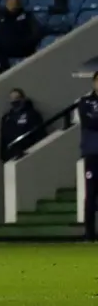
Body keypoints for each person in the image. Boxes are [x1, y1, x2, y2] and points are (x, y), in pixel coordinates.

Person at [0, 88, 45, 161]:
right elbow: (3, 138)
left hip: (28, 154)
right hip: (11, 156)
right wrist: (3, 155)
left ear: (23, 99)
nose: (14, 101)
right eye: (12, 99)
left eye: (17, 98)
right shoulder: (7, 118)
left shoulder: (32, 114)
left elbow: (39, 134)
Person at [80, 73, 98, 240]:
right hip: (93, 153)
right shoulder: (85, 102)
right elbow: (89, 122)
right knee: (91, 193)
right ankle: (89, 233)